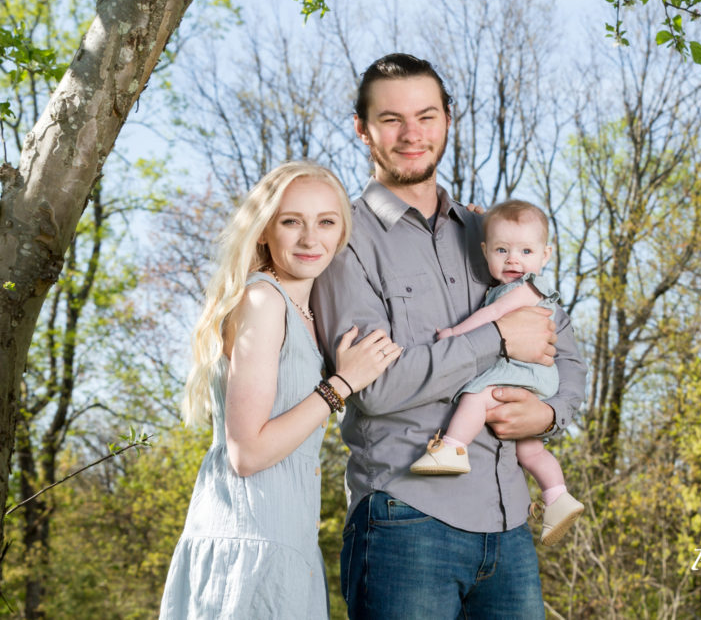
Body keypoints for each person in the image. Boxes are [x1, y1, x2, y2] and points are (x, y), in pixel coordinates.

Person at [311, 53, 587, 618]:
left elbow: (569, 349)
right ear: (362, 128)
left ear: (448, 120)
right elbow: (374, 389)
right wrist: (499, 340)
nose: (412, 134)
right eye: (391, 119)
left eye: (426, 116)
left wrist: (550, 414)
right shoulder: (344, 241)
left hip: (509, 524)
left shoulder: (491, 233)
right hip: (403, 519)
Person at [160, 162, 402, 619]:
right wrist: (343, 383)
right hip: (250, 544)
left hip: (288, 544)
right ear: (265, 231)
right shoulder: (263, 300)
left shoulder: (306, 310)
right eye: (292, 222)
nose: (311, 239)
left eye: (326, 222)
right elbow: (246, 453)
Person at [410, 199, 585, 546]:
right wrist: (479, 217)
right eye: (502, 250)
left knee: (478, 395)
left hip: (525, 370)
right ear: (485, 251)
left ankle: (453, 449)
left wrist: (454, 334)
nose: (513, 260)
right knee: (530, 451)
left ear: (545, 255)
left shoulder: (522, 289)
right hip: (533, 374)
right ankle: (557, 497)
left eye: (525, 250)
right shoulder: (520, 285)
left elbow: (492, 317)